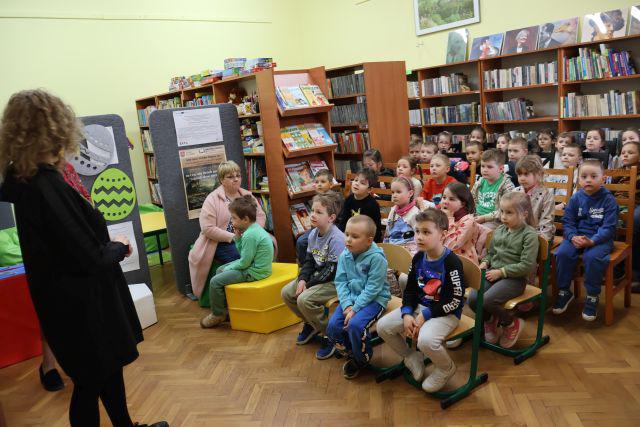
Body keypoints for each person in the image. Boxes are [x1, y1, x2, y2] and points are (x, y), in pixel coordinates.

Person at [0, 89, 167, 427]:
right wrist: (119, 245)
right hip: (82, 307)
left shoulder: (26, 181)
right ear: (56, 127)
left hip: (65, 303)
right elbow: (90, 257)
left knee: (103, 374)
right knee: (90, 383)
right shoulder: (46, 186)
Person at [377, 209, 465, 392]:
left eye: (426, 232)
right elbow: (410, 289)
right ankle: (411, 356)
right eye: (417, 231)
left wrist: (425, 315)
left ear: (443, 235)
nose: (419, 237)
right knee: (383, 327)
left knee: (425, 340)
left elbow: (455, 300)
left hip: (446, 313)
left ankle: (446, 368)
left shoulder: (451, 262)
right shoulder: (418, 257)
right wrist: (407, 313)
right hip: (419, 307)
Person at [189, 160, 267, 299]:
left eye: (238, 175)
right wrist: (232, 237)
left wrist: (254, 232)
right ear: (221, 180)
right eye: (230, 177)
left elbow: (260, 216)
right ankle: (241, 297)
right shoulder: (212, 199)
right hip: (221, 242)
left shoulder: (247, 195)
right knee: (240, 258)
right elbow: (207, 228)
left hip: (250, 237)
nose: (236, 179)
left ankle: (260, 292)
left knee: (266, 249)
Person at [470, 192, 539, 349]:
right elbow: (491, 253)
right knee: (473, 299)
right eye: (502, 211)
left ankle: (510, 323)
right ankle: (489, 320)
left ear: (524, 214)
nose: (503, 216)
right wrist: (485, 262)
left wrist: (502, 272)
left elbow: (527, 265)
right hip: (494, 273)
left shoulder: (529, 235)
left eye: (509, 212)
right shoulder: (500, 230)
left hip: (516, 279)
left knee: (487, 300)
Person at [281, 193, 345, 359]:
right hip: (318, 277)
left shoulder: (337, 239)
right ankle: (311, 324)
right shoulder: (313, 234)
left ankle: (331, 335)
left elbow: (331, 271)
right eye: (312, 211)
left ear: (331, 217)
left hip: (336, 282)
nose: (312, 215)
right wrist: (302, 279)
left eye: (319, 212)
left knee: (304, 299)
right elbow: (309, 262)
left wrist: (308, 286)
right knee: (287, 292)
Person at [326, 215, 391, 379]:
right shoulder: (345, 254)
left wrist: (354, 309)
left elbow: (373, 289)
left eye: (354, 236)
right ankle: (351, 351)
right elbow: (341, 282)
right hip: (351, 300)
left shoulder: (377, 258)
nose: (348, 239)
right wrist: (347, 305)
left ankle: (361, 359)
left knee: (355, 325)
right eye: (347, 234)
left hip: (375, 300)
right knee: (333, 326)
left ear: (369, 241)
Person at [553, 160, 618, 321]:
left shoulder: (609, 200)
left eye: (593, 176)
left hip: (600, 240)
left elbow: (609, 227)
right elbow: (568, 222)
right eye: (584, 176)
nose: (588, 180)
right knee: (562, 254)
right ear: (578, 179)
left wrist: (593, 241)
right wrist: (572, 236)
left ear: (603, 179)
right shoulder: (575, 198)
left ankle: (592, 295)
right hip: (576, 237)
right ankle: (564, 291)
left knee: (592, 257)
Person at [200, 195, 274, 328]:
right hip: (254, 267)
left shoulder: (250, 235)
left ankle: (218, 315)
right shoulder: (253, 229)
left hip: (255, 272)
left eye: (234, 218)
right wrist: (238, 238)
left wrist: (228, 268)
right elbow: (243, 255)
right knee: (219, 270)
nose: (231, 221)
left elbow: (244, 263)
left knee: (215, 281)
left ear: (245, 219)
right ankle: (227, 309)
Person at [295, 169, 343, 265]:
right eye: (317, 182)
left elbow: (339, 220)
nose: (319, 184)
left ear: (331, 184)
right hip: (316, 230)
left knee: (302, 242)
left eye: (323, 182)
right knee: (301, 241)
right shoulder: (316, 198)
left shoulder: (336, 199)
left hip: (330, 229)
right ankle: (305, 265)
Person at [612, 141, 640, 292]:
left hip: (635, 204)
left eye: (630, 153)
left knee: (633, 219)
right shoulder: (619, 172)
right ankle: (615, 267)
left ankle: (631, 271)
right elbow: (610, 189)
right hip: (618, 204)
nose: (625, 155)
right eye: (623, 153)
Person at [514, 156, 555, 241]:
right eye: (519, 174)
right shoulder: (514, 192)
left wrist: (539, 239)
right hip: (518, 233)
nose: (522, 178)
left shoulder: (546, 195)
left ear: (539, 174)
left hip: (538, 234)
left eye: (526, 174)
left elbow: (546, 221)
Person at [472, 149, 515, 230]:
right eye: (483, 166)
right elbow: (472, 200)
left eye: (489, 167)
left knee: (481, 230)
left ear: (501, 168)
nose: (485, 170)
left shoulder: (507, 186)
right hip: (477, 216)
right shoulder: (479, 183)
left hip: (496, 221)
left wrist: (484, 218)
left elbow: (506, 210)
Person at [337, 168, 382, 242]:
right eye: (356, 180)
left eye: (362, 183)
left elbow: (376, 228)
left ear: (369, 189)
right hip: (349, 235)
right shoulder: (349, 199)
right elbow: (343, 221)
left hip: (365, 239)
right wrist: (340, 236)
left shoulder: (373, 205)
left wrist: (374, 243)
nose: (357, 184)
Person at [441, 182, 481, 265]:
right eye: (444, 197)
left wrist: (449, 219)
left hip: (463, 261)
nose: (445, 202)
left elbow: (451, 245)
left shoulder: (468, 220)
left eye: (451, 199)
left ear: (462, 204)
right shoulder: (442, 215)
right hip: (443, 257)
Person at [384, 177, 422, 253]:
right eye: (393, 192)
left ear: (410, 193)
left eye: (398, 192)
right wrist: (385, 248)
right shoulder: (393, 210)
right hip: (392, 249)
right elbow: (387, 233)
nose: (394, 195)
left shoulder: (415, 213)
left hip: (409, 252)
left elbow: (419, 236)